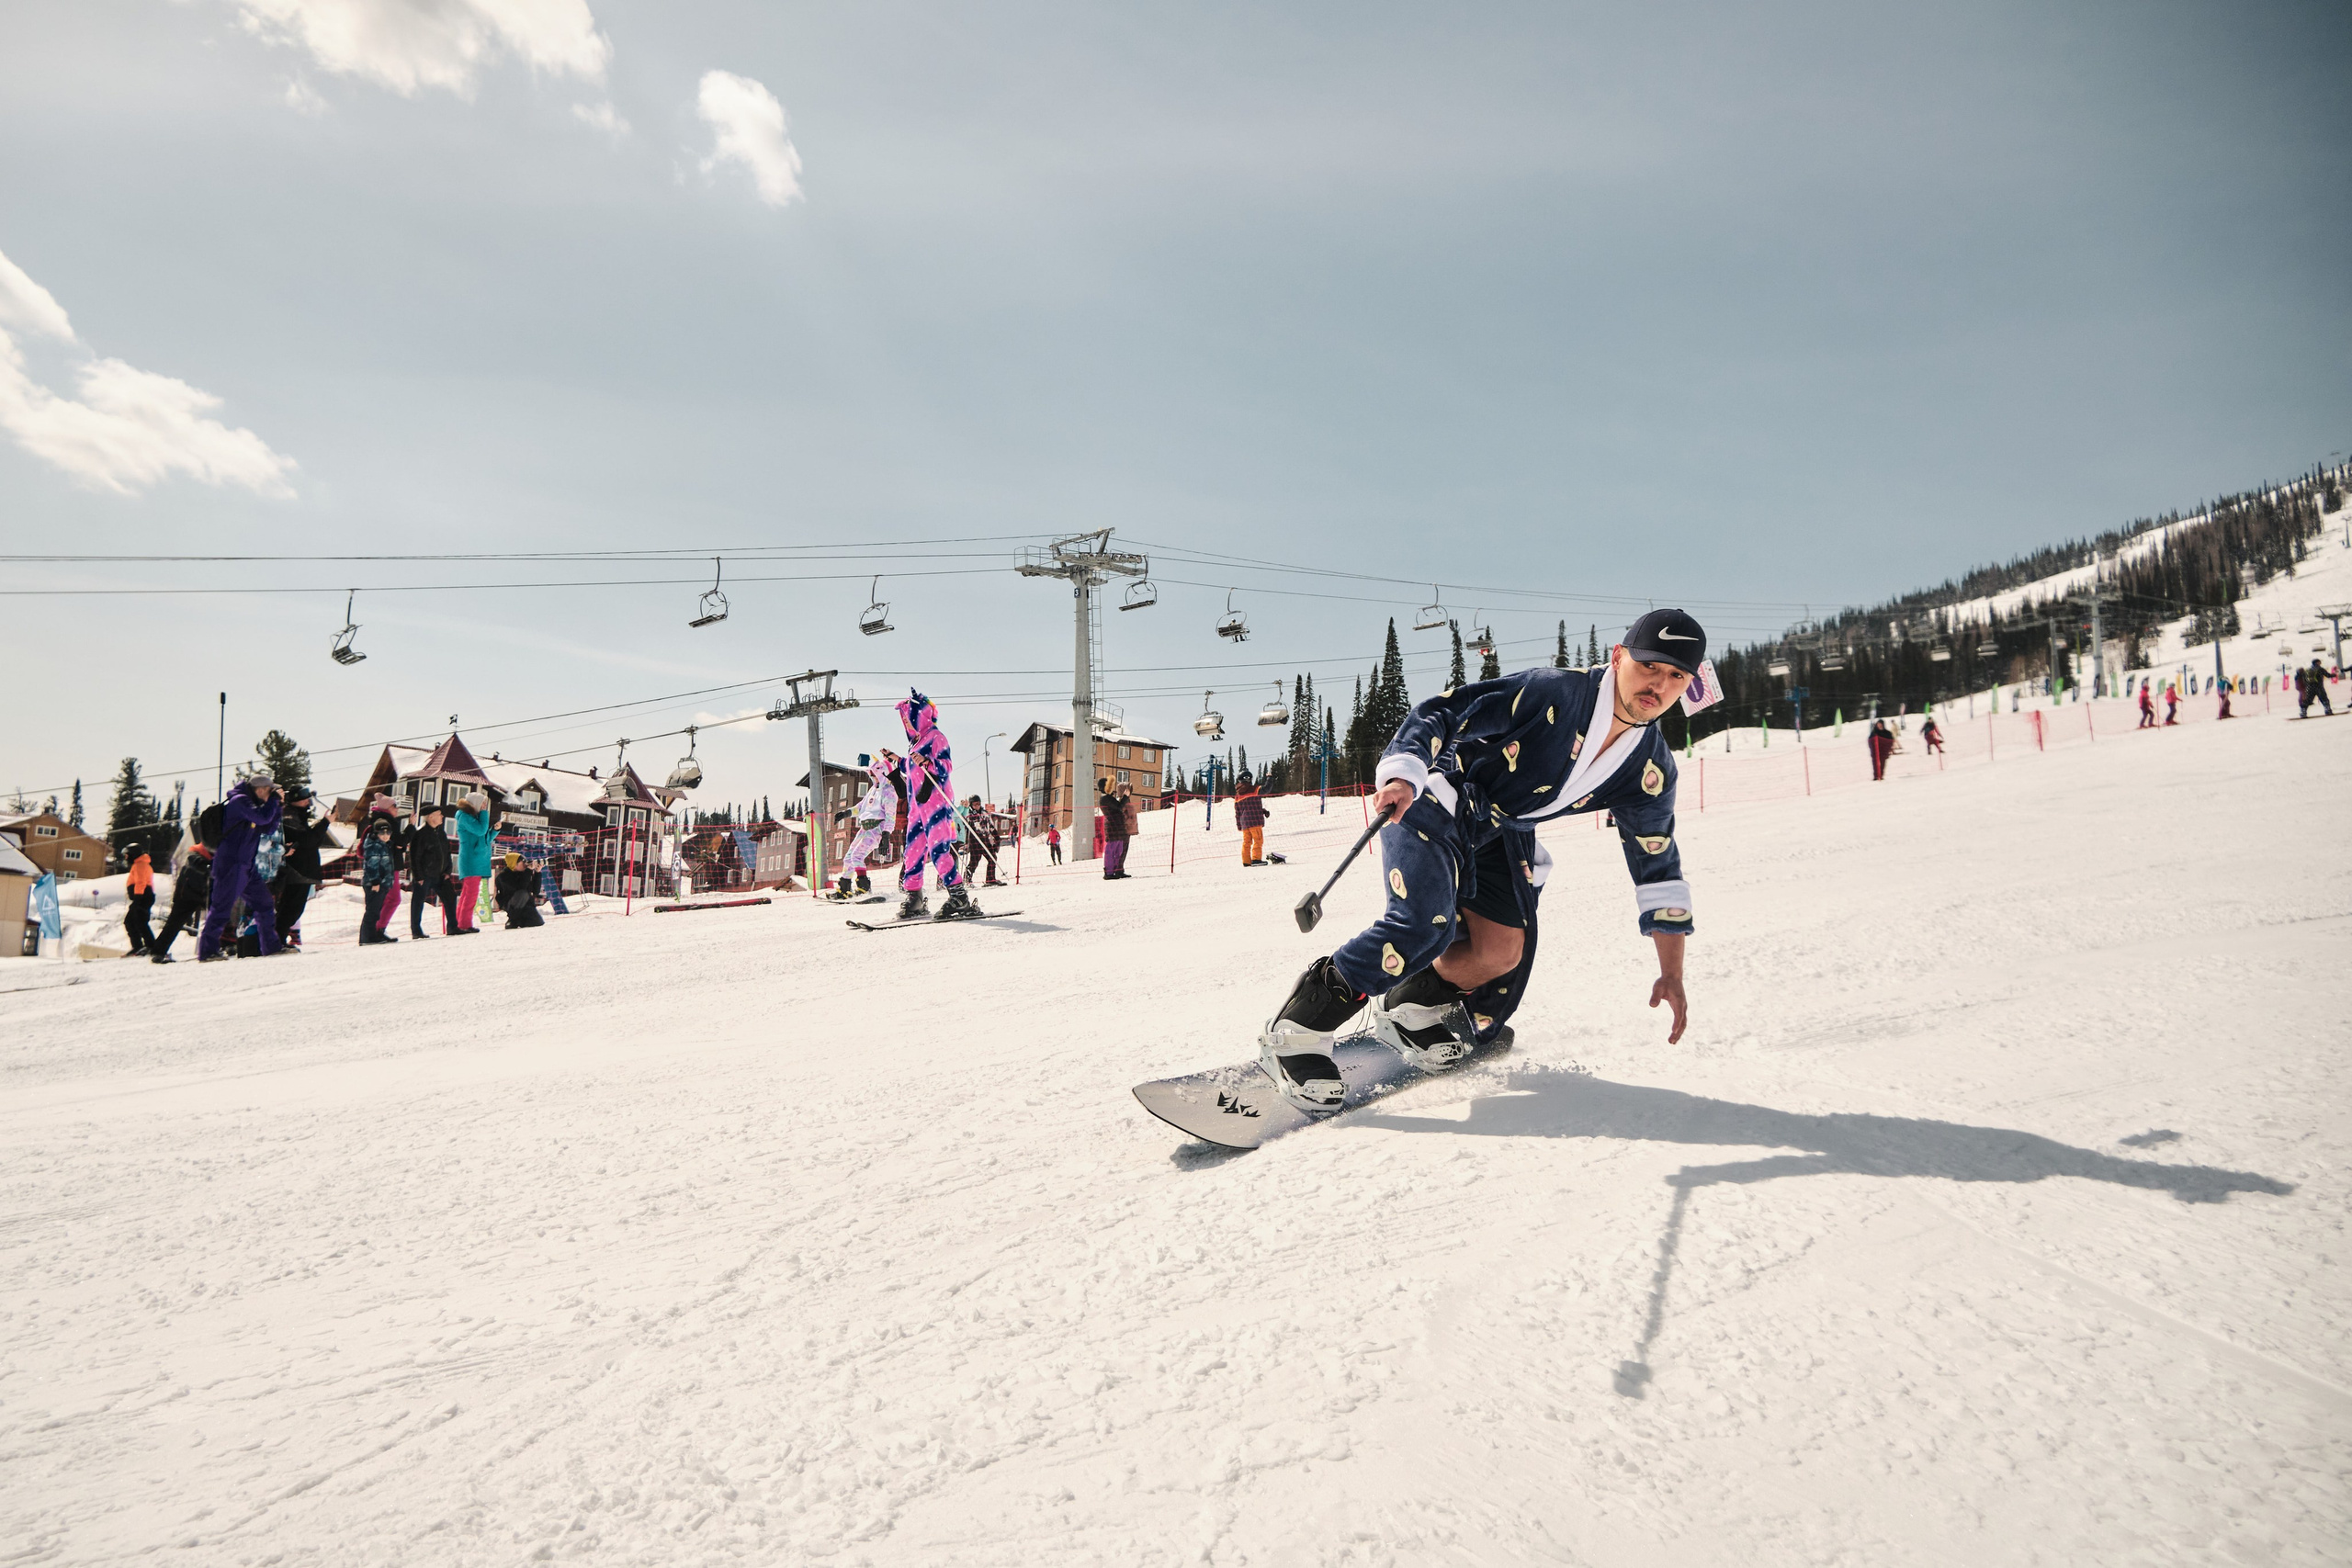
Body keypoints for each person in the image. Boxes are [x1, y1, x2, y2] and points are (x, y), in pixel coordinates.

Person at [1253, 608, 1701, 1111]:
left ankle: (1412, 1007)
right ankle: (1296, 1030)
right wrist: (1404, 772)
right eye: (1648, 666)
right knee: (1423, 926)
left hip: (1498, 831)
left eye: (1676, 676)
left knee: (1502, 951)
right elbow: (1445, 710)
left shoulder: (1649, 768)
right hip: (1434, 797)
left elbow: (1657, 865)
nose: (1658, 685)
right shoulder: (1554, 692)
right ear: (1618, 657)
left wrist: (1672, 972)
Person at [894, 689, 983, 920]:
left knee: (938, 850)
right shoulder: (915, 743)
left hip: (936, 802)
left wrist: (927, 761)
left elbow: (946, 766)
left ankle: (959, 897)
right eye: (904, 720)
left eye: (909, 718)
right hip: (917, 805)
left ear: (921, 716)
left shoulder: (936, 737)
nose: (907, 723)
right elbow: (912, 768)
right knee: (912, 851)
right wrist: (898, 760)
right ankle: (915, 897)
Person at [197, 775, 285, 962]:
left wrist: (278, 807)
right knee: (222, 907)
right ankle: (207, 951)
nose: (272, 794)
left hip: (246, 865)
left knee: (264, 904)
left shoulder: (253, 806)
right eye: (270, 791)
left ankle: (271, 947)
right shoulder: (239, 801)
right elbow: (262, 818)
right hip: (232, 864)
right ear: (260, 790)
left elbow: (268, 828)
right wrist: (274, 801)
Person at [149, 807, 219, 963]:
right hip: (187, 894)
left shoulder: (218, 854)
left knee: (217, 919)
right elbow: (194, 860)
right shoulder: (196, 851)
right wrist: (207, 866)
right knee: (175, 923)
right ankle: (158, 951)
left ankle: (217, 947)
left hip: (205, 893)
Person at [831, 751, 898, 899]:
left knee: (857, 856)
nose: (873, 778)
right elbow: (861, 807)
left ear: (884, 774)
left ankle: (864, 889)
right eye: (872, 775)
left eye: (875, 775)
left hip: (877, 828)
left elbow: (890, 817)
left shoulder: (889, 792)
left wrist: (886, 836)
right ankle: (844, 890)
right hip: (865, 828)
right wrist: (846, 813)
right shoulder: (873, 790)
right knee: (848, 857)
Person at [408, 804, 460, 937]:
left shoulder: (441, 832)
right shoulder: (420, 834)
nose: (442, 816)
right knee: (418, 903)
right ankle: (416, 931)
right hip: (424, 875)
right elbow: (414, 857)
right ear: (431, 817)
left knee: (451, 897)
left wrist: (448, 871)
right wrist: (418, 876)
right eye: (439, 814)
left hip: (441, 875)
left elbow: (447, 853)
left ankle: (453, 927)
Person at [453, 790, 492, 931]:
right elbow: (481, 830)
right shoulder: (465, 817)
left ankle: (459, 923)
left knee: (467, 893)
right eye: (482, 804)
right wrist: (484, 813)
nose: (484, 807)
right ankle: (464, 924)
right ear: (475, 803)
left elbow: (483, 836)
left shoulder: (470, 817)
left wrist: (495, 831)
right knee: (471, 894)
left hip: (475, 859)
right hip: (471, 860)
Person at [359, 815, 399, 944]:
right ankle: (367, 938)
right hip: (374, 884)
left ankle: (371, 936)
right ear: (376, 833)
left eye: (388, 833)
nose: (385, 836)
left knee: (376, 911)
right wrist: (375, 881)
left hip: (383, 883)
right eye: (382, 833)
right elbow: (372, 865)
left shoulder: (385, 845)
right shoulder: (374, 845)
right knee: (372, 911)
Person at [962, 795, 1006, 886]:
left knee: (992, 858)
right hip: (975, 842)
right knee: (974, 862)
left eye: (978, 804)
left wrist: (996, 837)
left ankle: (990, 879)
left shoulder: (984, 813)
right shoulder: (969, 814)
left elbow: (991, 826)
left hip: (985, 840)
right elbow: (965, 825)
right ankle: (967, 879)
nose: (977, 806)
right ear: (971, 805)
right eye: (975, 804)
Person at [493, 850, 545, 928]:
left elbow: (535, 891)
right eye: (523, 863)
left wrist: (538, 873)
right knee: (522, 894)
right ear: (515, 864)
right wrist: (528, 871)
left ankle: (517, 921)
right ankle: (513, 919)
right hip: (511, 904)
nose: (525, 865)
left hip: (526, 904)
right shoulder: (503, 876)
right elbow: (520, 888)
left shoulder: (524, 873)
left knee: (537, 922)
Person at [123, 852, 156, 955]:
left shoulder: (140, 865)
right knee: (134, 922)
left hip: (142, 897)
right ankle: (139, 946)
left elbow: (141, 882)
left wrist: (137, 898)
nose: (126, 858)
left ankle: (150, 946)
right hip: (144, 896)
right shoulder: (141, 864)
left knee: (137, 922)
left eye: (127, 855)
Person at [1232, 771, 1269, 865]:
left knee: (1247, 842)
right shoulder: (1254, 789)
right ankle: (1256, 859)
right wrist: (1270, 778)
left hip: (1245, 823)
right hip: (1255, 821)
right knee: (1258, 840)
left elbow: (1238, 812)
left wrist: (1239, 826)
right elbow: (1266, 789)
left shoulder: (1237, 795)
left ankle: (1246, 861)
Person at [1097, 779, 1131, 880]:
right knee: (1111, 850)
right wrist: (1125, 796)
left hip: (1117, 826)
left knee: (1118, 850)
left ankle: (1117, 871)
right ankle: (1109, 873)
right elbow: (1119, 807)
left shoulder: (1108, 797)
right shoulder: (1106, 798)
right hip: (1113, 827)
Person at [1866, 718, 1895, 782]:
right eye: (1878, 724)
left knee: (1882, 763)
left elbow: (1890, 740)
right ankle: (1876, 776)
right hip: (1875, 752)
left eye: (1880, 724)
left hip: (1883, 751)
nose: (1879, 725)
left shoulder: (1887, 733)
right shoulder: (1874, 732)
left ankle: (1881, 775)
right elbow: (1870, 740)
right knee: (1875, 763)